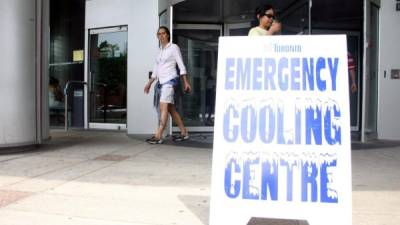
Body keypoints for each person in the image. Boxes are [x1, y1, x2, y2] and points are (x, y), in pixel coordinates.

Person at [144, 26, 192, 144]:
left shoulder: (174, 48)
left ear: (168, 35)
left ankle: (158, 135)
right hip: (161, 83)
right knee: (171, 109)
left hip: (170, 81)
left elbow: (181, 65)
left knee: (163, 107)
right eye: (159, 34)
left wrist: (185, 81)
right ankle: (184, 132)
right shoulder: (159, 52)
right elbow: (156, 71)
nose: (161, 36)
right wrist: (149, 83)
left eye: (163, 33)